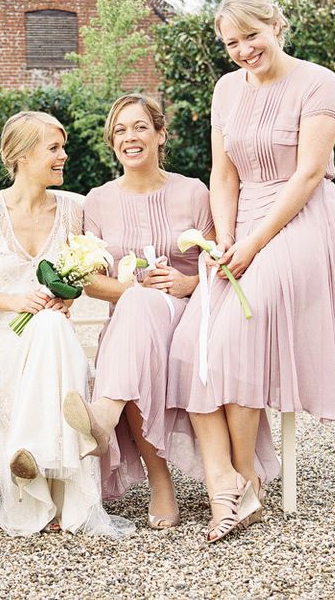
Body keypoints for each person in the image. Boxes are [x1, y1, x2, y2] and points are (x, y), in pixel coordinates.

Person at [168, 0, 335, 542]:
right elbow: (224, 175)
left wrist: (255, 244)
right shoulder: (226, 90)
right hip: (241, 223)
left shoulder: (317, 81)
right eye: (232, 43)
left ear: (276, 24)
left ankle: (244, 479)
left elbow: (309, 175)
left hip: (300, 219)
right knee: (190, 342)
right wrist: (224, 240)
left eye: (252, 36)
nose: (244, 50)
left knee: (236, 334)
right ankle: (232, 481)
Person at [0, 111, 129, 536]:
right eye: (54, 148)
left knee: (52, 327)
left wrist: (65, 296)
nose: (64, 156)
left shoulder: (75, 210)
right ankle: (67, 489)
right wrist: (18, 302)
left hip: (51, 336)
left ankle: (30, 456)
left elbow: (84, 278)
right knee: (49, 332)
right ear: (21, 155)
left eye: (63, 147)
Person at [62, 93, 211, 529]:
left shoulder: (193, 191)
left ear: (160, 134)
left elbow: (220, 261)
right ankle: (160, 485)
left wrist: (188, 283)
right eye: (121, 130)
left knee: (127, 344)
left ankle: (103, 416)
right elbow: (89, 278)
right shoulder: (98, 200)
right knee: (135, 313)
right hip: (131, 319)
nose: (130, 137)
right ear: (112, 142)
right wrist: (129, 289)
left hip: (188, 316)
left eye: (140, 127)